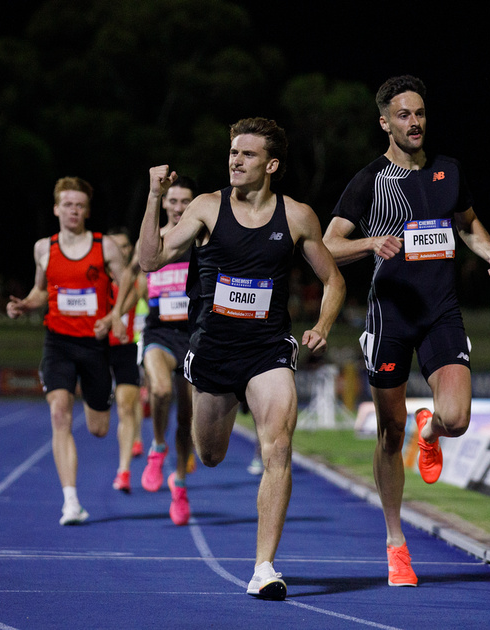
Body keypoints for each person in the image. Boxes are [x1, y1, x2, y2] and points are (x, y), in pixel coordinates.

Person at [138, 117, 345, 600]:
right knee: (209, 455)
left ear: (271, 164)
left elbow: (334, 279)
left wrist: (321, 326)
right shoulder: (207, 208)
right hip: (212, 351)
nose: (235, 160)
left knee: (277, 449)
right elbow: (150, 260)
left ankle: (264, 567)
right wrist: (153, 197)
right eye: (233, 152)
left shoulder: (297, 217)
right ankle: (185, 457)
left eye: (248, 154)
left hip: (268, 350)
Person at [322, 75, 490, 586]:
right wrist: (370, 244)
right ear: (384, 122)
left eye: (420, 113)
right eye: (403, 115)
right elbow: (326, 246)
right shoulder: (369, 181)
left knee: (456, 418)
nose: (415, 122)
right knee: (389, 434)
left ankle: (431, 430)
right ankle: (395, 543)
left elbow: (469, 224)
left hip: (441, 312)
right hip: (390, 318)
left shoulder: (449, 172)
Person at [6, 176, 127, 526]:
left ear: (86, 211)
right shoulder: (44, 248)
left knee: (99, 428)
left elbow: (128, 284)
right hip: (57, 341)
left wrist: (114, 314)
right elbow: (41, 290)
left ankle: (106, 396)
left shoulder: (105, 247)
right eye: (67, 204)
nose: (73, 210)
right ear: (56, 208)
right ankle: (71, 501)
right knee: (59, 412)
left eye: (79, 205)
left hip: (94, 345)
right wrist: (25, 306)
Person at [110, 177, 197, 527]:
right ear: (164, 203)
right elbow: (132, 278)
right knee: (159, 390)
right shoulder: (153, 240)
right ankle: (157, 447)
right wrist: (117, 313)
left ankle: (179, 484)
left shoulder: (202, 237)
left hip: (193, 336)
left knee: (187, 417)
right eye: (172, 201)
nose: (178, 207)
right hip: (159, 331)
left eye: (185, 202)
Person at [105, 227, 145, 494]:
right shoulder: (95, 276)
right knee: (98, 420)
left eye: (125, 246)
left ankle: (124, 471)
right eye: (115, 246)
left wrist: (112, 318)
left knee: (125, 407)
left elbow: (132, 300)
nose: (121, 251)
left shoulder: (137, 279)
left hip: (126, 347)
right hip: (95, 350)